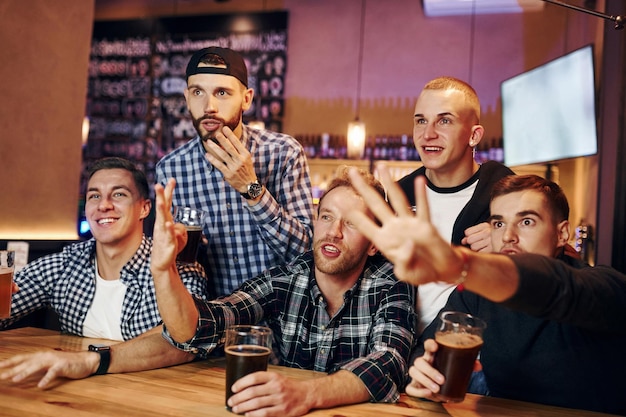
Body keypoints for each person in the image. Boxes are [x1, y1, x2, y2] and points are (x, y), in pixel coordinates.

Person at [346, 166, 626, 415]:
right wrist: (423, 377)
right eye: (499, 223)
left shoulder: (602, 286)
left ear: (562, 234)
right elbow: (424, 354)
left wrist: (462, 264)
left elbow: (556, 286)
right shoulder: (475, 295)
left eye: (526, 221)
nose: (507, 236)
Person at [150, 167, 416, 416]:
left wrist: (304, 394)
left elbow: (388, 363)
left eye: (352, 223)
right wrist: (164, 272)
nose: (333, 232)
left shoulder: (390, 284)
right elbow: (202, 326)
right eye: (326, 217)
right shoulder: (287, 279)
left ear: (373, 244)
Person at [156, 46, 313, 297]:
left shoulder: (284, 152)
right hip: (213, 320)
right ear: (186, 97)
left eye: (222, 92)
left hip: (282, 322)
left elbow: (305, 253)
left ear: (246, 99)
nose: (209, 106)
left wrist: (252, 189)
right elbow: (182, 267)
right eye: (198, 92)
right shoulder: (171, 169)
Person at [0, 157, 207, 341]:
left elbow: (187, 339)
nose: (104, 205)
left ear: (144, 208)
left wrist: (95, 360)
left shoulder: (179, 269)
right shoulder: (65, 265)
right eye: (94, 196)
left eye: (118, 194)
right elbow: (4, 312)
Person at [397, 76, 514, 333]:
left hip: (469, 351)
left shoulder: (506, 196)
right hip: (398, 350)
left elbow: (549, 266)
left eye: (445, 120)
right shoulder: (400, 195)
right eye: (421, 121)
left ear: (474, 135)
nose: (428, 134)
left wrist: (503, 242)